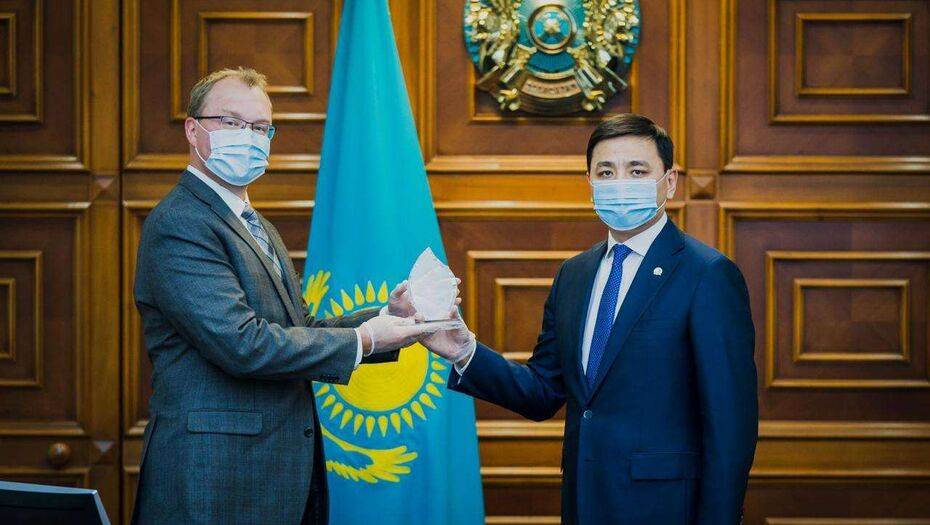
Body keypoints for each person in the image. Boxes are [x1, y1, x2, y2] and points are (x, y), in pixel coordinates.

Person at [131, 67, 440, 524]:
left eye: (260, 128)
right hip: (214, 480)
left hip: (273, 472)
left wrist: (385, 316)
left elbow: (299, 328)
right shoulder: (181, 223)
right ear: (193, 130)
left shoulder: (257, 226)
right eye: (231, 122)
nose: (249, 137)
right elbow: (242, 343)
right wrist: (366, 340)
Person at [424, 113, 758, 524]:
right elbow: (543, 391)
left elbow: (730, 424)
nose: (620, 183)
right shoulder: (575, 274)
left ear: (669, 182)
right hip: (584, 505)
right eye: (606, 172)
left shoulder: (707, 274)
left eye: (637, 171)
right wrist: (463, 350)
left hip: (666, 509)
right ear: (590, 182)